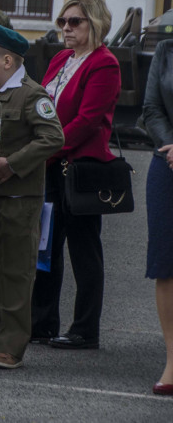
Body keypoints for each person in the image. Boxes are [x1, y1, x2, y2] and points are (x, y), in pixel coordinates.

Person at [0, 24, 64, 369]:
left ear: (7, 60)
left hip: (19, 200)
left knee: (16, 275)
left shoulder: (31, 95)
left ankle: (11, 346)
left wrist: (13, 164)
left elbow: (53, 138)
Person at [31, 0, 120, 350]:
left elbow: (88, 120)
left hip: (79, 166)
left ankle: (85, 329)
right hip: (51, 165)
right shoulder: (60, 58)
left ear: (94, 23)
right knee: (46, 248)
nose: (66, 28)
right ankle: (42, 323)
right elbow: (40, 104)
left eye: (74, 22)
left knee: (85, 251)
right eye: (62, 22)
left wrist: (45, 151)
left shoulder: (105, 63)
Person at [141, 37, 173, 396]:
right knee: (166, 264)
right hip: (166, 163)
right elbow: (151, 108)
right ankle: (172, 360)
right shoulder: (166, 49)